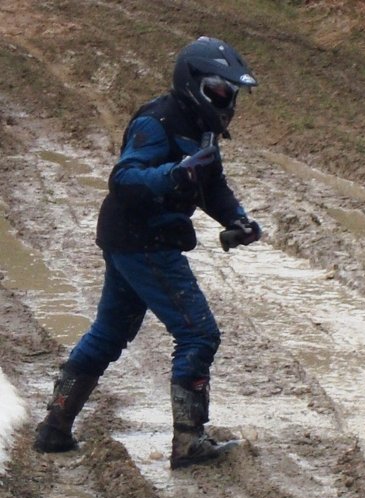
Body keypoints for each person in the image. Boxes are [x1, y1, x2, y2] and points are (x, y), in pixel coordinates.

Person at [33, 36, 262, 469]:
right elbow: (125, 179)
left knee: (109, 333)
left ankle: (54, 428)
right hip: (144, 240)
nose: (226, 99)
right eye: (220, 90)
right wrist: (174, 175)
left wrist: (237, 219)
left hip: (136, 238)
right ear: (194, 83)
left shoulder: (200, 125)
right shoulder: (155, 122)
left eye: (230, 93)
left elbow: (211, 183)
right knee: (198, 333)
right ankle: (189, 442)